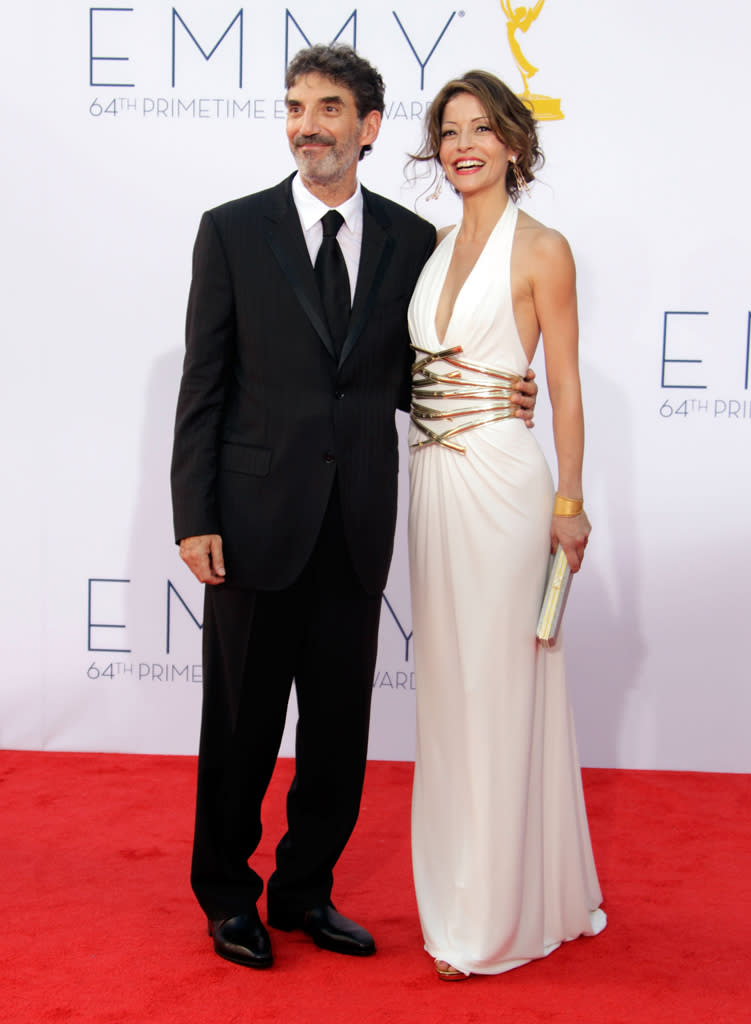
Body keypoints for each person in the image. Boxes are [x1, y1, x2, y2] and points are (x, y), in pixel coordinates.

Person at [171, 44, 539, 970]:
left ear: (367, 128)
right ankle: (228, 898)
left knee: (337, 735)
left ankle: (304, 894)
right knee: (241, 731)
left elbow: (413, 373)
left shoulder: (415, 244)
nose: (308, 124)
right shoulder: (231, 230)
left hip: (358, 523)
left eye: (329, 108)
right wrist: (194, 514)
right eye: (296, 107)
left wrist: (495, 392)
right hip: (252, 526)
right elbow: (203, 386)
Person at [407, 70, 606, 980]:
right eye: (448, 130)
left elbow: (561, 386)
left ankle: (490, 919)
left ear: (514, 143)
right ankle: (469, 889)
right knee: (451, 696)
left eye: (480, 127)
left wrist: (569, 502)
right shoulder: (433, 244)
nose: (462, 145)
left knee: (499, 692)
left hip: (504, 486)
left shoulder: (544, 249)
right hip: (433, 485)